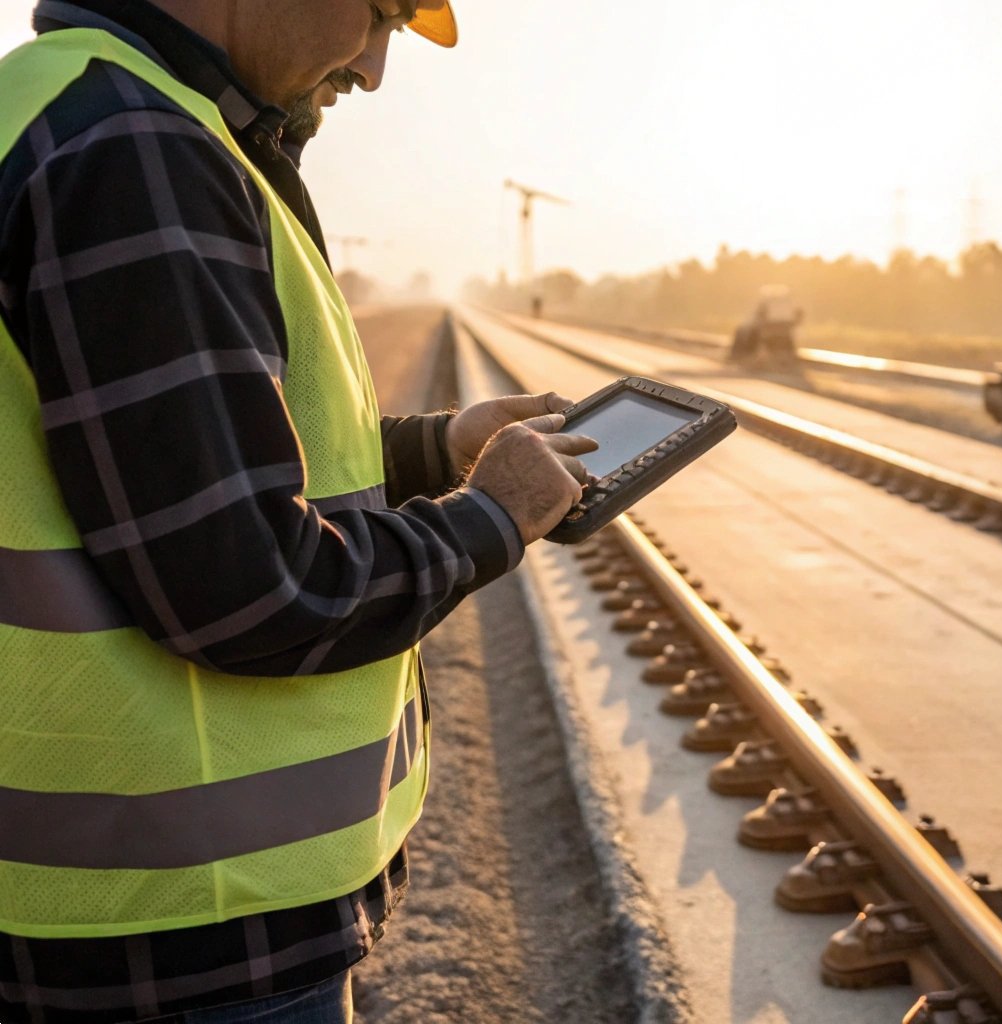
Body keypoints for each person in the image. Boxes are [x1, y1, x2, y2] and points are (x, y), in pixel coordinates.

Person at [0, 2, 597, 1021]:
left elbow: (174, 458)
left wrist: (435, 448)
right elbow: (248, 588)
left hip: (126, 913)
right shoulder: (139, 146)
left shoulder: (64, 103)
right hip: (177, 920)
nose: (372, 71)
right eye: (378, 16)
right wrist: (492, 517)